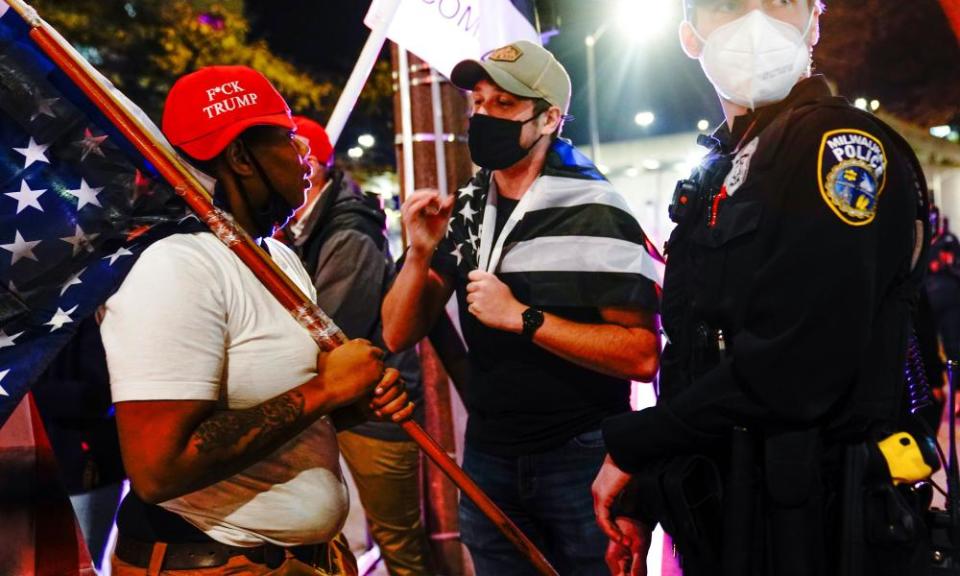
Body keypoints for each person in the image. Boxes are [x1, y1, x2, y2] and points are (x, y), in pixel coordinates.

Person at [592, 1, 931, 575]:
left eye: (778, 0)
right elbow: (696, 348)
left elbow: (797, 363)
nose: (755, 21)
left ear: (814, 22)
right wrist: (649, 492)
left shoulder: (837, 144)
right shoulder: (720, 166)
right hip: (727, 515)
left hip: (817, 523)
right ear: (690, 37)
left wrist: (637, 443)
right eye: (727, 5)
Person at [100, 65, 413, 575]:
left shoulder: (278, 257)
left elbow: (283, 407)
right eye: (288, 139)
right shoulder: (177, 266)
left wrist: (355, 403)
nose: (306, 158)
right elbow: (158, 467)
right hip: (214, 563)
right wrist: (327, 392)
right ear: (242, 157)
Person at [381, 41, 661, 575]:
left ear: (549, 117)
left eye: (504, 105)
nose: (483, 116)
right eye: (478, 103)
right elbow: (396, 332)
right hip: (489, 454)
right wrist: (418, 253)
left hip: (580, 456)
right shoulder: (468, 203)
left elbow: (643, 354)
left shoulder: (594, 209)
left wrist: (525, 319)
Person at [283, 116, 433, 576]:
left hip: (375, 406)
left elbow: (330, 327)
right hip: (334, 400)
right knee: (323, 528)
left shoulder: (347, 229)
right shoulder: (299, 224)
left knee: (397, 538)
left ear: (311, 162)